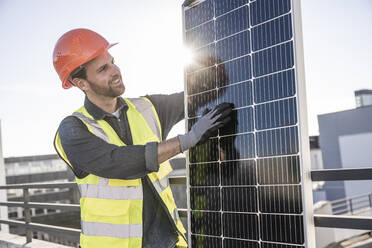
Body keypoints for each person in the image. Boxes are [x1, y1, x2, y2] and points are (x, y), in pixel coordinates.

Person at [52, 28, 233, 248]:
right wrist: (187, 140)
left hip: (170, 243)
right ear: (81, 83)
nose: (115, 71)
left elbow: (199, 96)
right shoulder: (73, 129)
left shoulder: (148, 108)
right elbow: (117, 162)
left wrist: (218, 59)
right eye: (103, 69)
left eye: (113, 62)